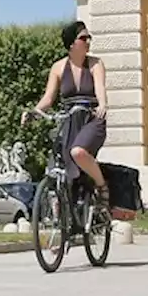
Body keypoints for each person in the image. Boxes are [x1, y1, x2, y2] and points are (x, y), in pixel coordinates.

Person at [22, 21, 110, 208]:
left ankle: (102, 186)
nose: (88, 41)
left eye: (89, 37)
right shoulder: (58, 67)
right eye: (83, 38)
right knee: (61, 165)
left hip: (91, 118)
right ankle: (69, 218)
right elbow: (48, 98)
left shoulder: (95, 64)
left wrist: (102, 105)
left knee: (78, 152)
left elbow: (100, 88)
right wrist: (34, 112)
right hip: (69, 119)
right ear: (71, 43)